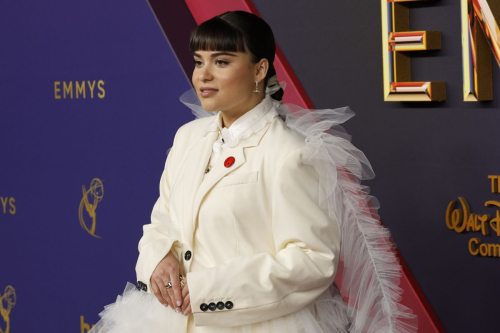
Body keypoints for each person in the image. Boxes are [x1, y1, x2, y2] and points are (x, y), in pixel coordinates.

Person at [90, 10, 417, 333]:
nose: (203, 75)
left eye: (221, 62)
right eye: (198, 61)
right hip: (171, 321)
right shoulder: (187, 138)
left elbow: (312, 260)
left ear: (260, 69)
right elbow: (163, 221)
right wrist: (158, 261)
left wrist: (207, 292)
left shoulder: (290, 153)